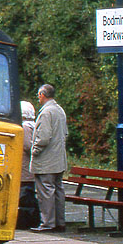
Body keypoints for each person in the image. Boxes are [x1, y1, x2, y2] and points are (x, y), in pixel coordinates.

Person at [30, 83, 69, 232]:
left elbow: (44, 137)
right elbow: (65, 134)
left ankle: (47, 223)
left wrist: (35, 150)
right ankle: (60, 222)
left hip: (46, 159)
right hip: (59, 158)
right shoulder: (60, 110)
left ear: (42, 95)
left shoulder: (46, 113)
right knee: (58, 190)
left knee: (45, 191)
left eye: (38, 95)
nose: (38, 98)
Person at [17, 100, 41, 229]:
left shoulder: (25, 126)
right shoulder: (33, 124)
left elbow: (27, 145)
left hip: (25, 166)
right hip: (30, 165)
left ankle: (28, 220)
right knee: (29, 193)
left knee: (26, 194)